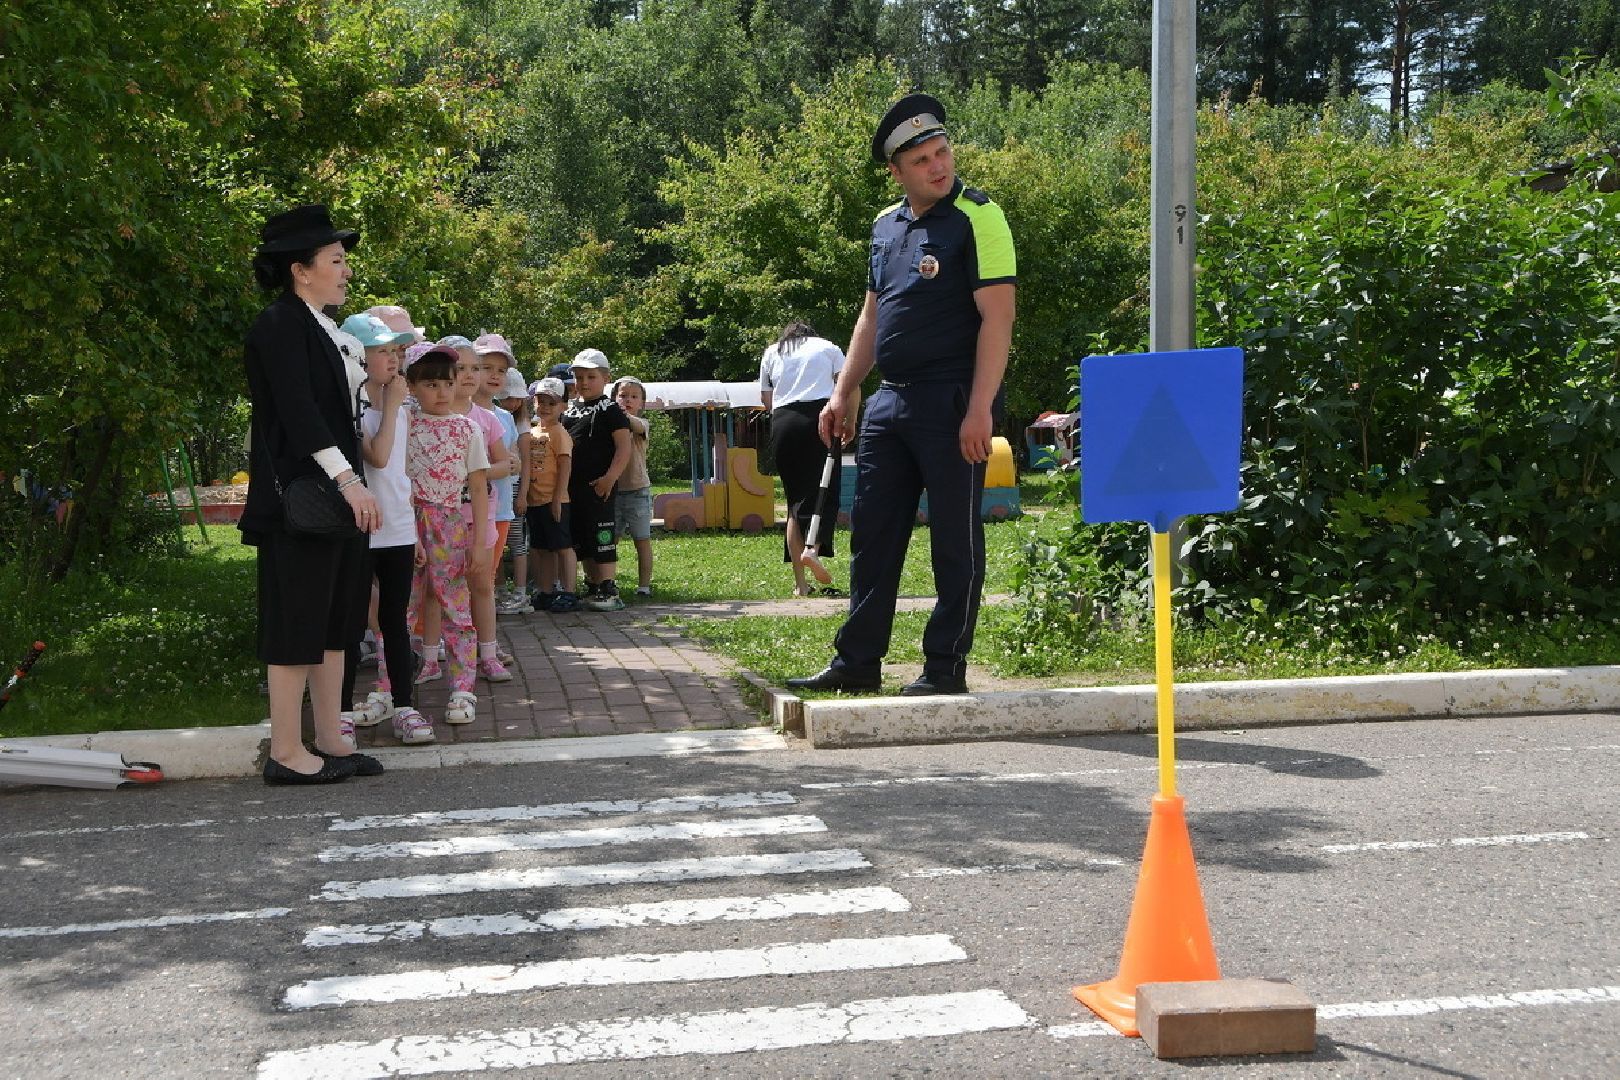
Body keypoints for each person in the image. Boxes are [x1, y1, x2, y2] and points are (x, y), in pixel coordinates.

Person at [787, 93, 1016, 697]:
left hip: (953, 400)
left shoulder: (980, 218)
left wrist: (980, 410)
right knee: (873, 532)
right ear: (897, 170)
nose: (939, 166)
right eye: (922, 160)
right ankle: (858, 662)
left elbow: (998, 321)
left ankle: (944, 668)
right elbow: (871, 315)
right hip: (891, 400)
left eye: (942, 152)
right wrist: (844, 390)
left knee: (954, 541)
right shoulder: (885, 227)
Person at [240, 204, 385, 784]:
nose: (346, 270)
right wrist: (350, 483)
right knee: (295, 626)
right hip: (300, 502)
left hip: (336, 499)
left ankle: (329, 739)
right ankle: (286, 753)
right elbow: (300, 415)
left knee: (334, 625)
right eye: (336, 260)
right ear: (301, 269)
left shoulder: (325, 327)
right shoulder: (279, 324)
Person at [339, 313, 435, 745]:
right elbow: (376, 456)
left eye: (396, 351)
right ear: (358, 357)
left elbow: (402, 472)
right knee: (349, 620)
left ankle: (404, 705)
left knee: (396, 620)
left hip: (397, 527)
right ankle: (339, 710)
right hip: (359, 528)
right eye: (382, 352)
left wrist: (413, 527)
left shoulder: (403, 408)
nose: (393, 360)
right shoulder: (349, 409)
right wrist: (392, 405)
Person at [416, 336, 513, 683]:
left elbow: (506, 463)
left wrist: (473, 470)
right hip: (436, 518)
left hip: (477, 514)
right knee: (433, 586)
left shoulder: (483, 420)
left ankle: (487, 654)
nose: (470, 375)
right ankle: (430, 657)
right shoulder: (421, 419)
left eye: (476, 368)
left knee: (481, 583)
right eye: (461, 368)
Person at [403, 341, 490, 727]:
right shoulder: (403, 424)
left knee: (457, 609)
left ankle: (462, 690)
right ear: (411, 386)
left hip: (450, 525)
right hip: (405, 524)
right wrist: (410, 529)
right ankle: (392, 688)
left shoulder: (467, 429)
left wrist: (478, 542)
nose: (440, 392)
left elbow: (478, 485)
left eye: (446, 383)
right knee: (400, 608)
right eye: (430, 384)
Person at [759, 320, 846, 596]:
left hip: (783, 422)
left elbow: (766, 398)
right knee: (825, 487)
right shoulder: (828, 348)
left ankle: (801, 585)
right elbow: (846, 386)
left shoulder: (773, 351)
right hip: (819, 418)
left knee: (794, 501)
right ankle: (813, 549)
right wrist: (848, 420)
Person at [563, 349, 632, 611]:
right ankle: (593, 585)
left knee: (601, 534)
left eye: (591, 376)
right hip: (572, 487)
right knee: (582, 537)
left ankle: (609, 587)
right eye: (579, 376)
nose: (584, 382)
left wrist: (610, 477)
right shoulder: (570, 409)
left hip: (599, 486)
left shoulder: (611, 409)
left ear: (605, 378)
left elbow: (623, 447)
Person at [472, 334, 525, 621]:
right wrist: (503, 464)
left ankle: (484, 641)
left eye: (501, 370)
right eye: (486, 367)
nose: (495, 375)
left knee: (488, 578)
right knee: (468, 577)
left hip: (502, 507)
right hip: (471, 510)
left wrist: (510, 463)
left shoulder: (504, 417)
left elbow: (515, 460)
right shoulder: (462, 412)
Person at [517, 377, 577, 612]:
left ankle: (569, 591)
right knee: (542, 548)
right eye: (540, 402)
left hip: (555, 500)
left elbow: (565, 466)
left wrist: (557, 498)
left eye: (551, 403)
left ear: (563, 406)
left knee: (563, 546)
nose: (544, 407)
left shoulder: (559, 433)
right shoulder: (532, 431)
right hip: (534, 500)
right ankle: (546, 590)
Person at [494, 366, 534, 613]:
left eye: (517, 398)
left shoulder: (521, 425)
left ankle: (520, 592)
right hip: (495, 487)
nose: (513, 402)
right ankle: (498, 589)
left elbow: (526, 463)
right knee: (495, 542)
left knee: (517, 542)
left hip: (515, 485)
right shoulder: (495, 415)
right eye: (508, 397)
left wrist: (522, 494)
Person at [612, 376, 655, 597]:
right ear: (614, 398)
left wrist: (620, 414)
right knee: (611, 539)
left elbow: (634, 423)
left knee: (642, 539)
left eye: (633, 396)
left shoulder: (641, 424)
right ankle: (606, 580)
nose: (628, 399)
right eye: (622, 395)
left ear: (641, 404)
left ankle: (644, 586)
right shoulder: (609, 423)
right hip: (613, 490)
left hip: (637, 490)